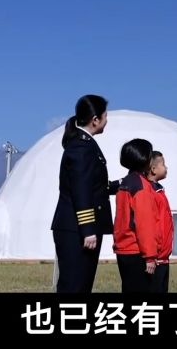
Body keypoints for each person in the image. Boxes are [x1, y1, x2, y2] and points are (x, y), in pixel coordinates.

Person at [50, 94, 119, 293]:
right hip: (76, 230)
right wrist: (88, 229)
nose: (107, 121)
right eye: (105, 116)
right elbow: (81, 189)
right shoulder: (81, 147)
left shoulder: (84, 144)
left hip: (77, 227)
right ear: (95, 119)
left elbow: (93, 186)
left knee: (81, 285)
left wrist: (120, 185)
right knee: (74, 286)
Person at [112, 138, 159, 294]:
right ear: (144, 158)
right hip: (136, 250)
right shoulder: (141, 186)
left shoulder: (125, 183)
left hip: (123, 249)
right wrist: (150, 255)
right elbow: (144, 223)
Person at [147, 151, 174, 293]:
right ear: (153, 169)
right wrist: (152, 254)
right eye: (163, 164)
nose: (166, 167)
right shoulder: (150, 193)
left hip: (163, 257)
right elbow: (151, 225)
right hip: (156, 257)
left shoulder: (159, 191)